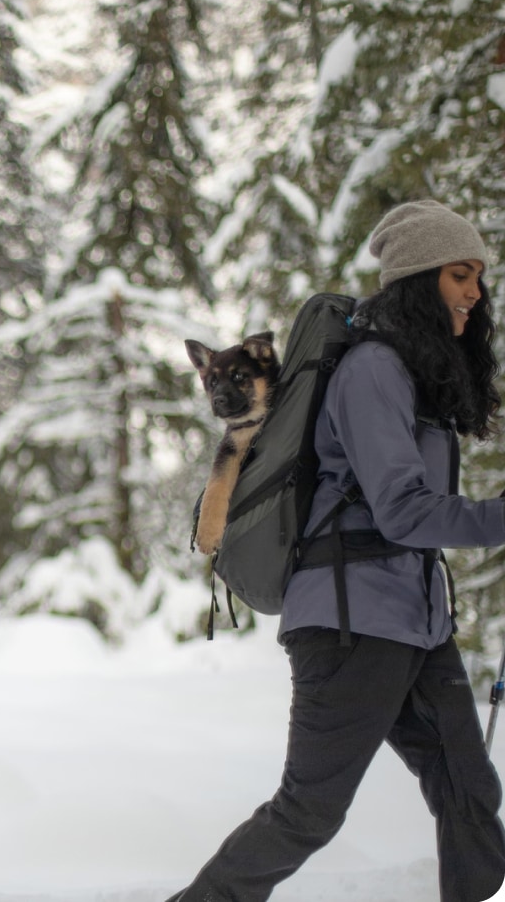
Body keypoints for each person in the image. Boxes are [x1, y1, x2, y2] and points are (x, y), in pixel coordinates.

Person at [167, 200, 505, 902]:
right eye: (459, 274)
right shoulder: (373, 370)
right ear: (419, 280)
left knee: (471, 791)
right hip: (351, 621)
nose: (476, 290)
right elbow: (405, 509)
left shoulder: (417, 374)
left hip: (413, 618)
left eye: (480, 276)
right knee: (310, 811)